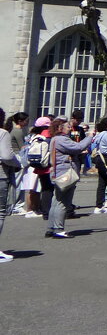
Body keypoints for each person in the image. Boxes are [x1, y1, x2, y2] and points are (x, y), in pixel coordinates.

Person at [46, 117, 93, 238]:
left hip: (58, 172)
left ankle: (51, 227)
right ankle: (58, 228)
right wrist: (89, 137)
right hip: (65, 172)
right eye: (67, 127)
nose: (70, 129)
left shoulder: (55, 139)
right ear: (60, 128)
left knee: (56, 201)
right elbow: (78, 147)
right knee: (63, 201)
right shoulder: (62, 139)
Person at [0, 109, 19, 261]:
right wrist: (18, 163)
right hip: (0, 175)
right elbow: (7, 156)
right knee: (0, 212)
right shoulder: (3, 133)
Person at [5, 112, 28, 216]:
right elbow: (22, 147)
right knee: (18, 183)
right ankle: (16, 206)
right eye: (26, 120)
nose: (27, 122)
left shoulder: (15, 130)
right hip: (19, 157)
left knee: (18, 182)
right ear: (20, 121)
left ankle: (16, 205)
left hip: (17, 156)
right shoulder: (18, 131)